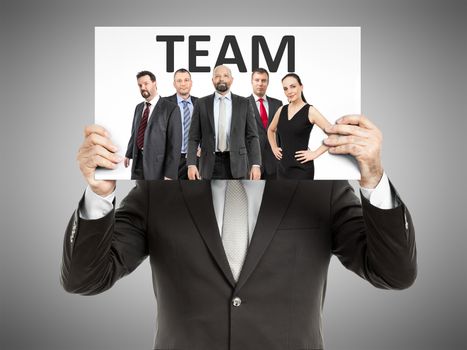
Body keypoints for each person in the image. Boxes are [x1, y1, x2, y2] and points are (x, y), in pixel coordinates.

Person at [63, 113, 417, 350]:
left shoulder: (319, 187)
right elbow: (86, 279)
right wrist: (100, 192)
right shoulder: (161, 189)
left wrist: (373, 177)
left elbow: (392, 273)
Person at [187, 65, 262, 180]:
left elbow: (252, 136)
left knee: (236, 198)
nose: (221, 79)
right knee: (211, 198)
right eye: (217, 76)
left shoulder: (244, 103)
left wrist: (256, 164)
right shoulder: (201, 103)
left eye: (226, 76)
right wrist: (191, 164)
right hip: (209, 165)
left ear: (232, 80)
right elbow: (193, 137)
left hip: (238, 164)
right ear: (212, 80)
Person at [268, 73, 332, 179]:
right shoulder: (281, 110)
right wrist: (274, 148)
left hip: (302, 170)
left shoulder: (310, 111)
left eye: (293, 86)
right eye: (285, 88)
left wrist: (315, 153)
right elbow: (270, 130)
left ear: (301, 87)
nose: (289, 91)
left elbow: (335, 135)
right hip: (282, 168)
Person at [124, 70, 182, 180]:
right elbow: (135, 133)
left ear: (154, 83)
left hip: (157, 167)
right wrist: (128, 154)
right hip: (138, 164)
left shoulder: (171, 108)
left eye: (146, 83)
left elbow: (175, 144)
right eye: (140, 85)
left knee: (157, 196)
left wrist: (170, 174)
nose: (143, 87)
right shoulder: (139, 107)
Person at [247, 68, 283, 179]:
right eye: (257, 80)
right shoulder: (243, 104)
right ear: (251, 82)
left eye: (263, 80)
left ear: (267, 83)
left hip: (275, 161)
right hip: (252, 162)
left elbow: (282, 131)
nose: (260, 83)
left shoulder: (278, 104)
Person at [164, 68, 198, 179]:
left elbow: (208, 129)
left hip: (195, 159)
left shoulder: (201, 103)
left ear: (191, 83)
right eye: (179, 81)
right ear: (174, 84)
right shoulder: (164, 104)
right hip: (172, 159)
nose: (183, 84)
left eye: (186, 80)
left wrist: (203, 147)